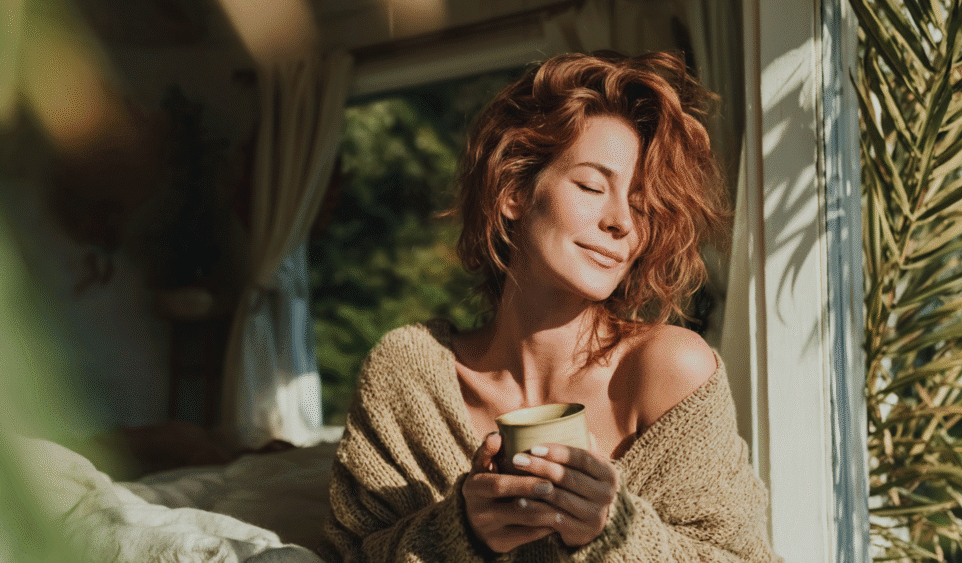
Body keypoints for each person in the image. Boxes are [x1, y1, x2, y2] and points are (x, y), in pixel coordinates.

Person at [319, 51, 781, 562]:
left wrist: (611, 532)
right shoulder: (408, 376)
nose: (621, 222)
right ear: (513, 189)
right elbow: (351, 554)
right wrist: (464, 532)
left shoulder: (667, 371)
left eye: (643, 205)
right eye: (590, 186)